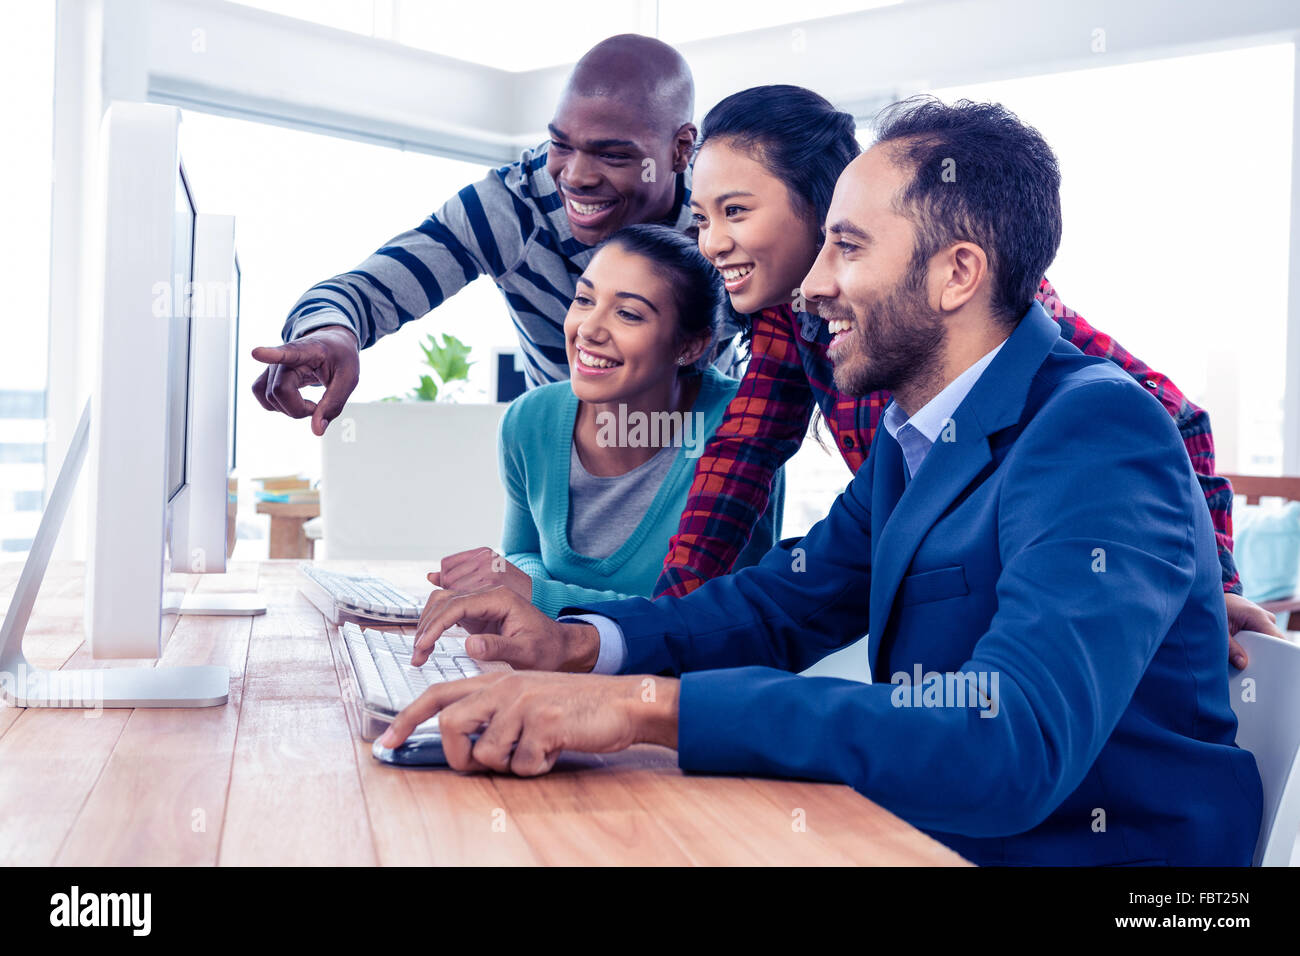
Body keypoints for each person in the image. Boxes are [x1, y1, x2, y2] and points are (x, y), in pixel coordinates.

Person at [380, 97, 1263, 867]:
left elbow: (1009, 742)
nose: (813, 286)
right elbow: (779, 606)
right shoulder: (918, 438)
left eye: (845, 248)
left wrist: (646, 708)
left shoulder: (1094, 431)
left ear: (958, 273)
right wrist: (579, 648)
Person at [658, 84, 1282, 663]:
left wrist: (1214, 585)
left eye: (735, 211)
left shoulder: (996, 311)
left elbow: (1166, 414)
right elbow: (739, 463)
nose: (711, 243)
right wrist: (658, 619)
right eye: (702, 219)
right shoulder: (791, 325)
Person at [248, 34, 740, 436]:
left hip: (715, 463)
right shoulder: (512, 209)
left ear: (679, 150)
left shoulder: (729, 216)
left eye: (612, 155)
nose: (575, 176)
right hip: (572, 472)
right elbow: (369, 290)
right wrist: (331, 330)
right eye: (560, 145)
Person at [429, 225, 778, 617]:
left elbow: (717, 621)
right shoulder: (528, 422)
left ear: (689, 345)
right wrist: (512, 583)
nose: (589, 329)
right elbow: (524, 551)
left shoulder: (742, 424)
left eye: (628, 314)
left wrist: (536, 596)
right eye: (584, 299)